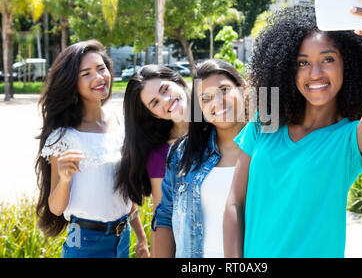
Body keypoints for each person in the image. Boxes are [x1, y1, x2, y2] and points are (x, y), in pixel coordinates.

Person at [223, 0, 362, 258]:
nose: (315, 73)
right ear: (286, 68)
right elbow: (234, 203)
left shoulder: (347, 141)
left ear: (349, 64)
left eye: (328, 59)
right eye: (302, 63)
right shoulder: (264, 124)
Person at [35, 40, 149, 258]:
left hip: (122, 238)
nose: (98, 77)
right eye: (86, 73)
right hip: (85, 244)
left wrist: (141, 239)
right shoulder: (64, 135)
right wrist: (65, 178)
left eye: (101, 68)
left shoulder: (121, 124)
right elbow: (56, 208)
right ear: (72, 82)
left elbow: (123, 191)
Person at [151, 59, 247, 258]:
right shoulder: (183, 154)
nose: (217, 102)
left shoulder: (270, 148)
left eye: (224, 90)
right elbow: (165, 218)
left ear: (244, 90)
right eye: (205, 98)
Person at [114, 65, 189, 256]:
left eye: (165, 89)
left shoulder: (219, 123)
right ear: (153, 115)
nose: (166, 101)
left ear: (177, 80)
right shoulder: (160, 155)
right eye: (155, 103)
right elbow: (162, 218)